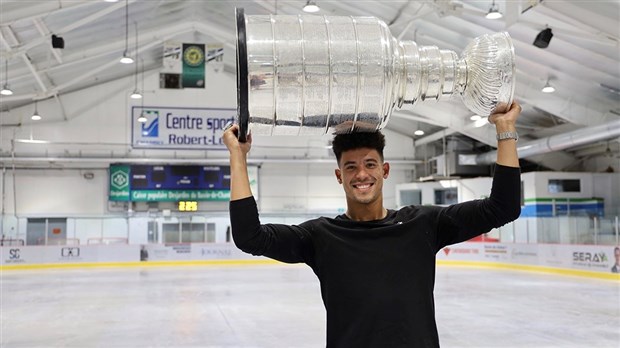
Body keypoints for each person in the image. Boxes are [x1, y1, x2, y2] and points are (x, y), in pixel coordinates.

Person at [223, 102, 522, 348]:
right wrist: (238, 156)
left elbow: (502, 208)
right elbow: (250, 237)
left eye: (370, 164)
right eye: (350, 167)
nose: (361, 174)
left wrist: (505, 129)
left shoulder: (423, 224)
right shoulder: (321, 236)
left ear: (385, 170)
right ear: (339, 176)